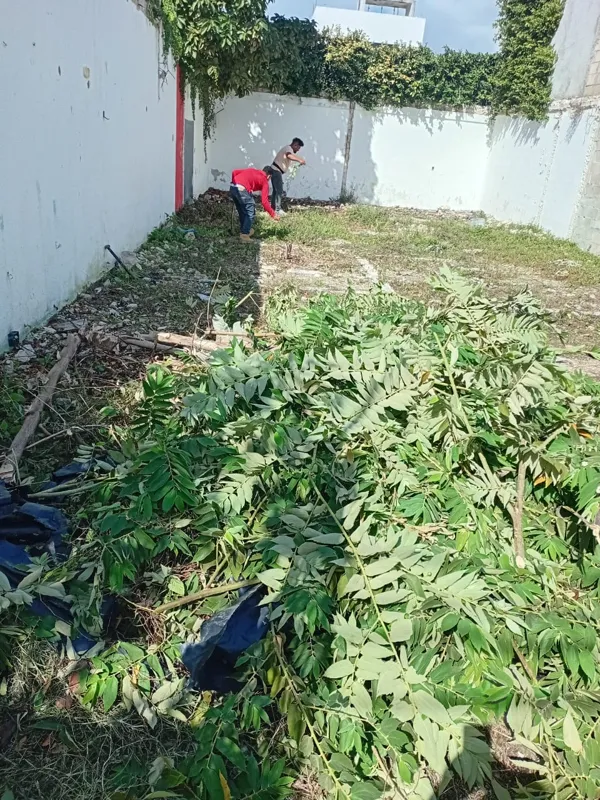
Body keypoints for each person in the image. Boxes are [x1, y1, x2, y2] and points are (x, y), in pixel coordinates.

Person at [230, 166, 280, 242]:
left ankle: (244, 230)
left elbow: (234, 172)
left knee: (242, 211)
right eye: (270, 178)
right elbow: (264, 202)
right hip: (242, 189)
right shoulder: (265, 181)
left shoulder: (252, 170)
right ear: (269, 176)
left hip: (233, 187)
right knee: (250, 212)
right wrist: (273, 214)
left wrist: (235, 183)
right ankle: (244, 235)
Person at [271, 137, 306, 214]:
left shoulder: (287, 149)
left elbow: (288, 159)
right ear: (295, 145)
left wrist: (298, 163)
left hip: (274, 170)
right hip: (276, 171)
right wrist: (300, 159)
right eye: (298, 147)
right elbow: (289, 156)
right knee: (279, 191)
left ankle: (272, 208)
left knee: (275, 191)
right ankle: (277, 209)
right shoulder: (288, 148)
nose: (298, 150)